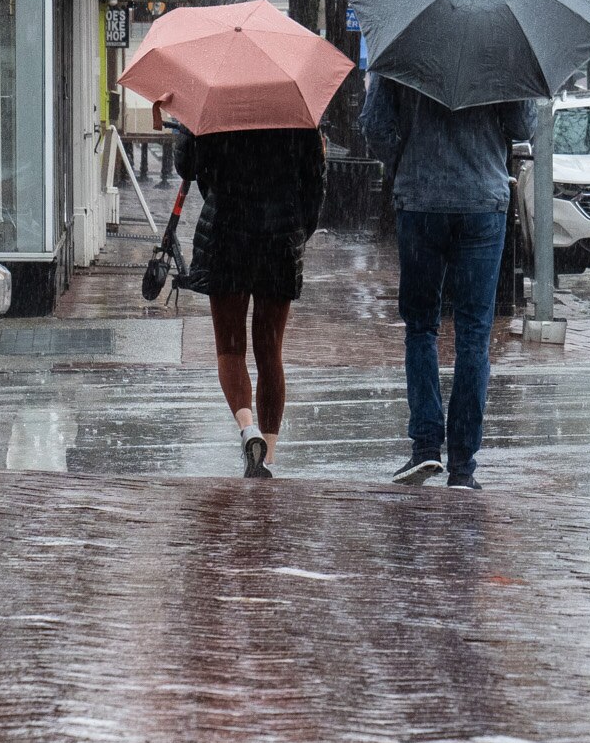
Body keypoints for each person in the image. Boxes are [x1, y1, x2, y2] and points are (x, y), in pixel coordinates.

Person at [360, 77, 530, 490]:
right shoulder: (501, 52)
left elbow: (374, 124)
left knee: (421, 327)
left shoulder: (404, 47)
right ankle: (462, 464)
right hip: (482, 202)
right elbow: (524, 127)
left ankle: (425, 447)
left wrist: (406, 163)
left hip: (421, 202)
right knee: (474, 332)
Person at [172, 121, 326, 477]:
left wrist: (188, 125)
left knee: (230, 349)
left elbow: (188, 166)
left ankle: (247, 428)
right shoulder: (296, 111)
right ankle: (268, 457)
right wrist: (298, 229)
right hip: (280, 237)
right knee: (270, 352)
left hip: (226, 232)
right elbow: (315, 182)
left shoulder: (218, 101)